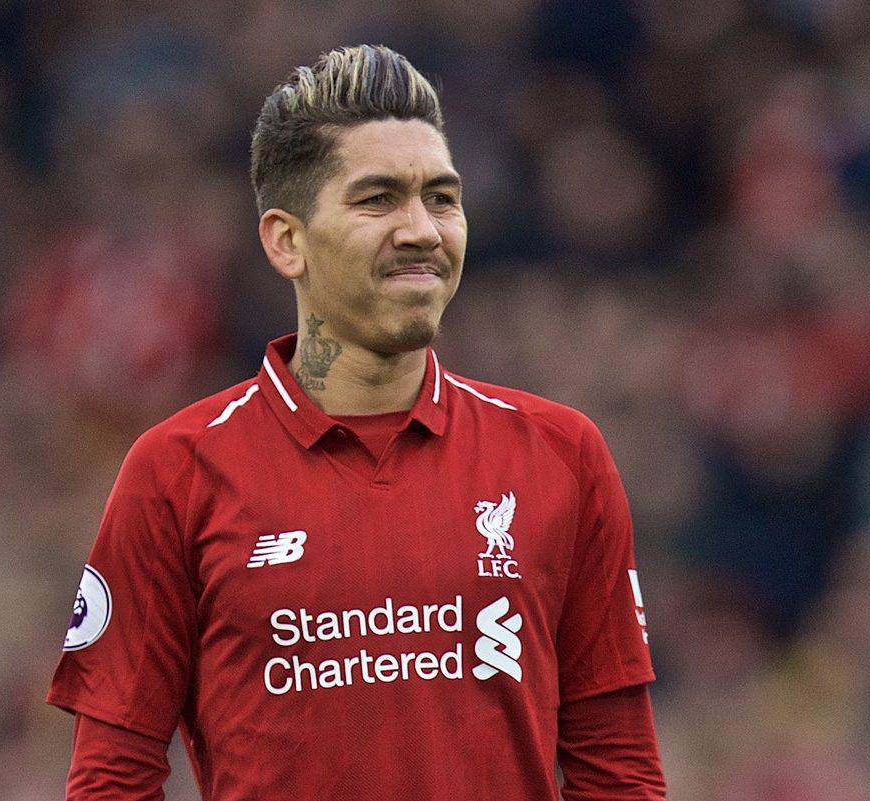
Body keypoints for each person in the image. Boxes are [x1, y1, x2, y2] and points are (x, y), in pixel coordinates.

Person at [47, 44, 666, 800]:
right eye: (378, 199)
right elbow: (112, 777)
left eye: (442, 197)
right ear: (287, 240)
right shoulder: (177, 471)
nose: (423, 230)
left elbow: (620, 771)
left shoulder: (561, 454)